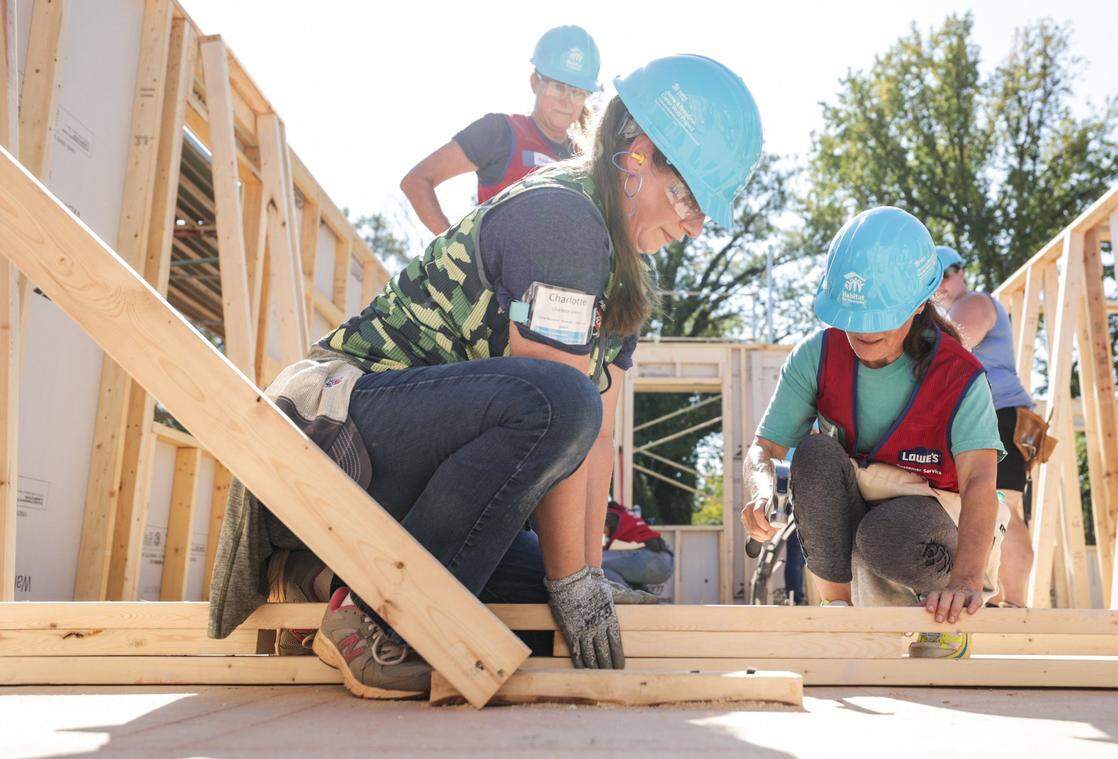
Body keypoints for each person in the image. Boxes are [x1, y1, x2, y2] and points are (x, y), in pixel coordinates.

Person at [207, 54, 763, 699]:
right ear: (637, 155)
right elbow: (559, 408)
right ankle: (374, 620)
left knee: (541, 587)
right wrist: (573, 583)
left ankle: (322, 579)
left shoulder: (622, 271)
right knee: (557, 406)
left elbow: (596, 438)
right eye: (690, 196)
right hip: (324, 437)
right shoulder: (564, 219)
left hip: (388, 468)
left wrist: (582, 576)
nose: (696, 225)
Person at [740, 207, 1008, 660]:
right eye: (852, 317)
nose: (862, 331)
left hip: (934, 521)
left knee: (887, 533)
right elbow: (763, 450)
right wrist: (761, 490)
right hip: (859, 509)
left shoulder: (959, 376)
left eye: (879, 317)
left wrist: (965, 580)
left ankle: (941, 610)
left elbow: (981, 482)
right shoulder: (816, 357)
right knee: (814, 454)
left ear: (919, 305)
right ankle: (838, 612)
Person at [401, 25, 601, 235]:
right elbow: (416, 181)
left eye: (577, 92)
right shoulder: (498, 133)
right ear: (535, 82)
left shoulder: (586, 162)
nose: (566, 101)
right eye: (558, 87)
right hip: (499, 267)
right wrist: (457, 253)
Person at [934, 246, 1035, 607]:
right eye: (933, 277)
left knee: (1003, 506)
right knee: (990, 506)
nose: (942, 283)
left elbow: (948, 347)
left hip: (1000, 413)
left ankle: (1015, 605)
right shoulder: (952, 308)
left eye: (947, 273)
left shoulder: (974, 303)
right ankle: (999, 599)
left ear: (961, 273)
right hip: (988, 416)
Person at [602, 499, 674, 596]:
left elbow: (597, 545)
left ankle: (626, 596)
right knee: (610, 566)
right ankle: (642, 594)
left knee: (595, 562)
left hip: (652, 558)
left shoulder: (607, 516)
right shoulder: (620, 511)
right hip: (665, 559)